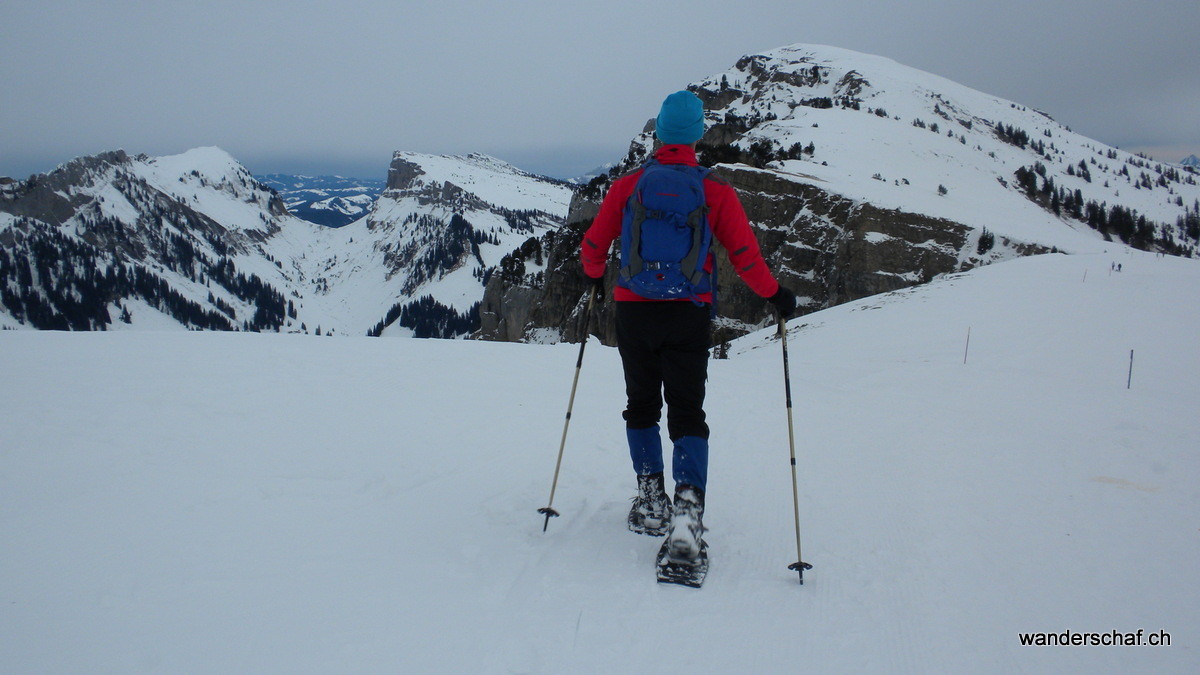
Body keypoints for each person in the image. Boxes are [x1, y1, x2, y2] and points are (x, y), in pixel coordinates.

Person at [579, 90, 798, 564]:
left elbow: (593, 245)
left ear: (659, 132)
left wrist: (595, 277)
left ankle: (651, 499)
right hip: (688, 313)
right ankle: (687, 514)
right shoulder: (715, 190)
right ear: (698, 135)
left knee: (641, 405)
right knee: (687, 412)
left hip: (634, 311)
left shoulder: (629, 186)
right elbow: (745, 258)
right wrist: (776, 296)